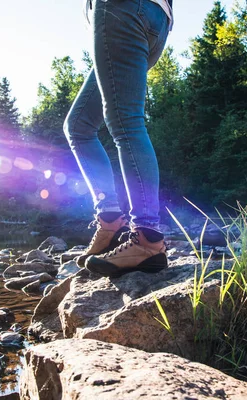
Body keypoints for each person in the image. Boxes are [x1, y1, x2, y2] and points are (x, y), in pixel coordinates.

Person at [63, 0, 173, 278]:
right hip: (155, 19)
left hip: (122, 10)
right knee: (78, 126)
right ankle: (110, 221)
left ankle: (147, 239)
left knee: (126, 122)